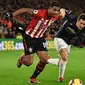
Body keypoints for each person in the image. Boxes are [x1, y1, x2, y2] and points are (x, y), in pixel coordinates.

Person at [9, 3, 66, 83]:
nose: (55, 12)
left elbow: (62, 14)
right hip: (29, 37)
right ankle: (22, 59)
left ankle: (33, 78)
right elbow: (24, 9)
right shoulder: (40, 13)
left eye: (57, 11)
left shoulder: (55, 16)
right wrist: (12, 15)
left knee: (44, 60)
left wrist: (62, 11)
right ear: (49, 8)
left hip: (40, 38)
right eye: (54, 10)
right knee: (28, 63)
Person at [49, 13, 85, 82]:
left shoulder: (83, 28)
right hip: (59, 39)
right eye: (81, 23)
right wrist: (62, 12)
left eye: (84, 24)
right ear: (77, 20)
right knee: (65, 57)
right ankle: (61, 78)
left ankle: (47, 60)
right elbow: (64, 10)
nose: (82, 25)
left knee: (62, 61)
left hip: (68, 44)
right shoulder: (72, 18)